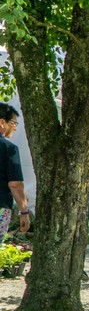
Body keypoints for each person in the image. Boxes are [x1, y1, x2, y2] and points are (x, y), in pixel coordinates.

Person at [0, 103, 30, 243]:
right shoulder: (9, 148)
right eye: (13, 123)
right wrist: (24, 212)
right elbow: (15, 184)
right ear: (2, 122)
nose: (15, 127)